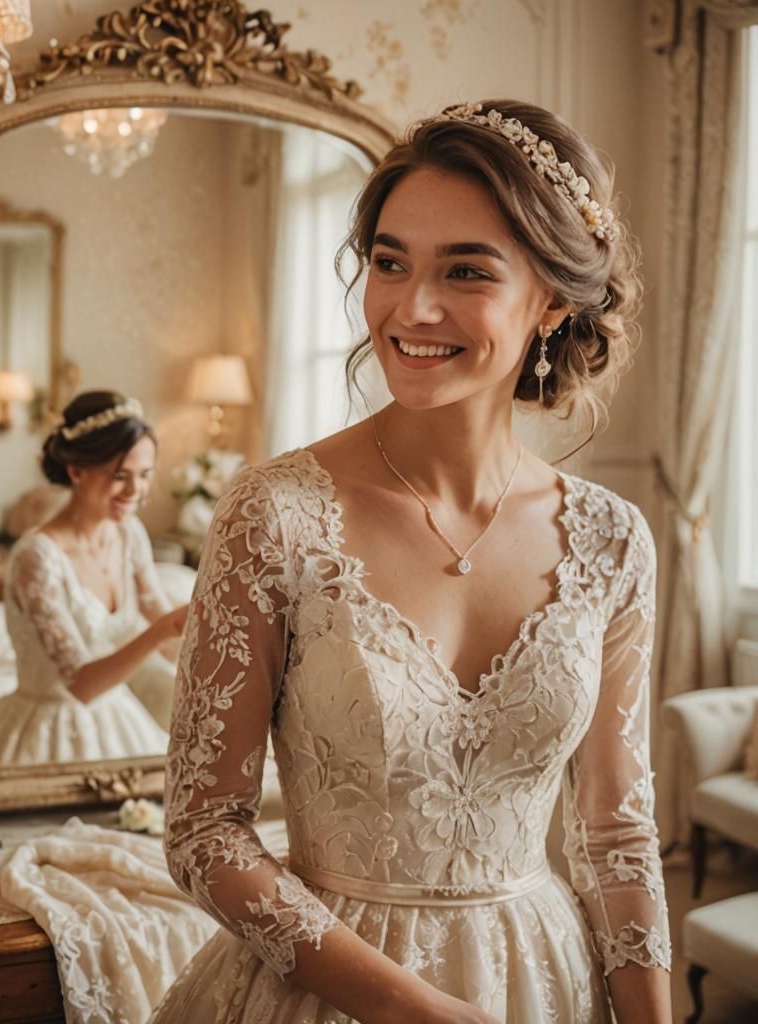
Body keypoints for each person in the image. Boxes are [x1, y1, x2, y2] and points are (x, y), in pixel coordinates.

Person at [153, 101, 672, 1024]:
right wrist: (417, 1013)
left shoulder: (612, 539)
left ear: (552, 299)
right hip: (322, 992)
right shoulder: (274, 515)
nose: (412, 307)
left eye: (465, 271)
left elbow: (616, 837)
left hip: (541, 983)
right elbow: (204, 833)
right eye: (389, 262)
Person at [0, 391, 189, 766]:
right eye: (120, 476)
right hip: (44, 733)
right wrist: (161, 630)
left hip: (120, 721)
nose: (135, 491)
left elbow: (167, 628)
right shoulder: (38, 557)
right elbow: (81, 685)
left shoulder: (129, 534)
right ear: (76, 471)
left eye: (144, 476)